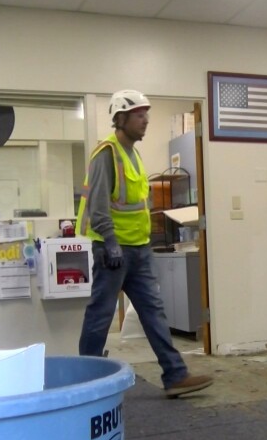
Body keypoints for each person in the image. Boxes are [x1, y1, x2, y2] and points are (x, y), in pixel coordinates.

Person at [77, 89, 214, 398]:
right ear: (121, 118)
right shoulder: (106, 154)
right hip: (113, 250)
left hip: (138, 249)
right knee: (100, 314)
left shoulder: (133, 154)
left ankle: (175, 375)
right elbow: (98, 205)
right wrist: (110, 242)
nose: (146, 120)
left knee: (154, 312)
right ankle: (83, 379)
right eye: (139, 115)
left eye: (146, 114)